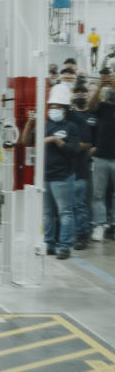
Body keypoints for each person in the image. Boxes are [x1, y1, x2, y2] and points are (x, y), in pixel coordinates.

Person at [23, 85, 80, 259]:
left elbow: (74, 150)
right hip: (45, 176)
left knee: (65, 212)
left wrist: (57, 141)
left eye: (58, 107)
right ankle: (49, 243)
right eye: (52, 106)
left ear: (65, 109)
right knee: (48, 213)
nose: (54, 109)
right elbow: (26, 141)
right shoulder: (44, 126)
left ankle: (65, 246)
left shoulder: (71, 127)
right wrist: (30, 123)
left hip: (63, 176)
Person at [90, 72, 115, 241]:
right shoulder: (103, 107)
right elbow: (91, 106)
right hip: (101, 157)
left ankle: (113, 225)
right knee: (98, 194)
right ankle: (99, 225)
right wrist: (101, 85)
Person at [68, 84, 94, 249]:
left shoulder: (84, 119)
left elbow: (87, 143)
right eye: (76, 92)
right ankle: (68, 234)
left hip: (81, 167)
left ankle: (82, 234)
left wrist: (68, 146)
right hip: (63, 169)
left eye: (83, 93)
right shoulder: (66, 117)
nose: (80, 95)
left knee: (80, 204)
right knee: (67, 205)